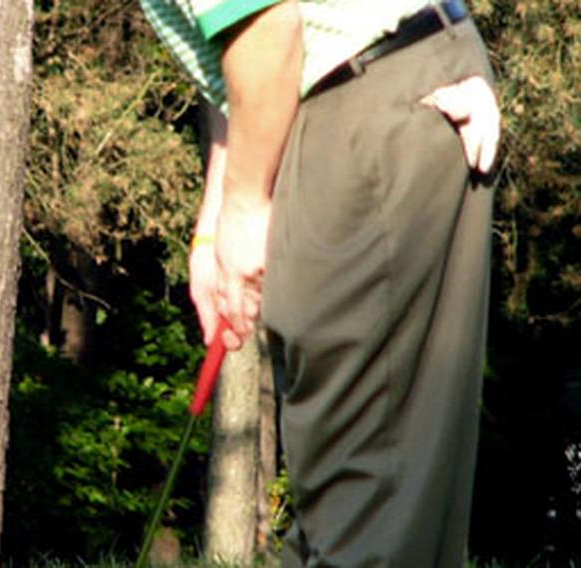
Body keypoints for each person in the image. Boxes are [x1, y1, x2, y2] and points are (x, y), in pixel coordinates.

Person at [140, 0, 501, 565]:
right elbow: (234, 43)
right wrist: (216, 222)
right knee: (342, 506)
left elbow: (265, 28)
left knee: (370, 516)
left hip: (366, 108)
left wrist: (244, 206)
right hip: (353, 100)